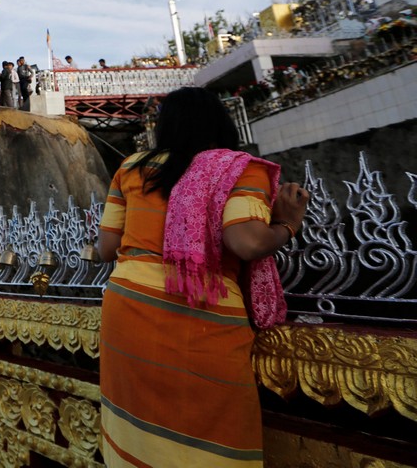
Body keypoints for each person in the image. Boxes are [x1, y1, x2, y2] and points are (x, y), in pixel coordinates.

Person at [97, 87, 308, 467]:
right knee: (216, 433)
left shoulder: (131, 167)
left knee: (136, 432)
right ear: (220, 122)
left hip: (127, 309)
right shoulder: (239, 168)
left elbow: (106, 249)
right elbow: (246, 242)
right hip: (202, 315)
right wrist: (288, 223)